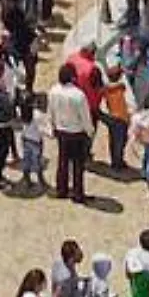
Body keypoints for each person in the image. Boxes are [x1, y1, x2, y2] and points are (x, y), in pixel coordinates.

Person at [48, 63, 94, 204]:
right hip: (76, 132)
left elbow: (51, 111)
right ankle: (77, 194)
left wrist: (52, 127)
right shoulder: (79, 95)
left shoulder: (53, 91)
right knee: (78, 164)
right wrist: (90, 131)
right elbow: (85, 116)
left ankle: (61, 190)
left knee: (62, 162)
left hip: (61, 131)